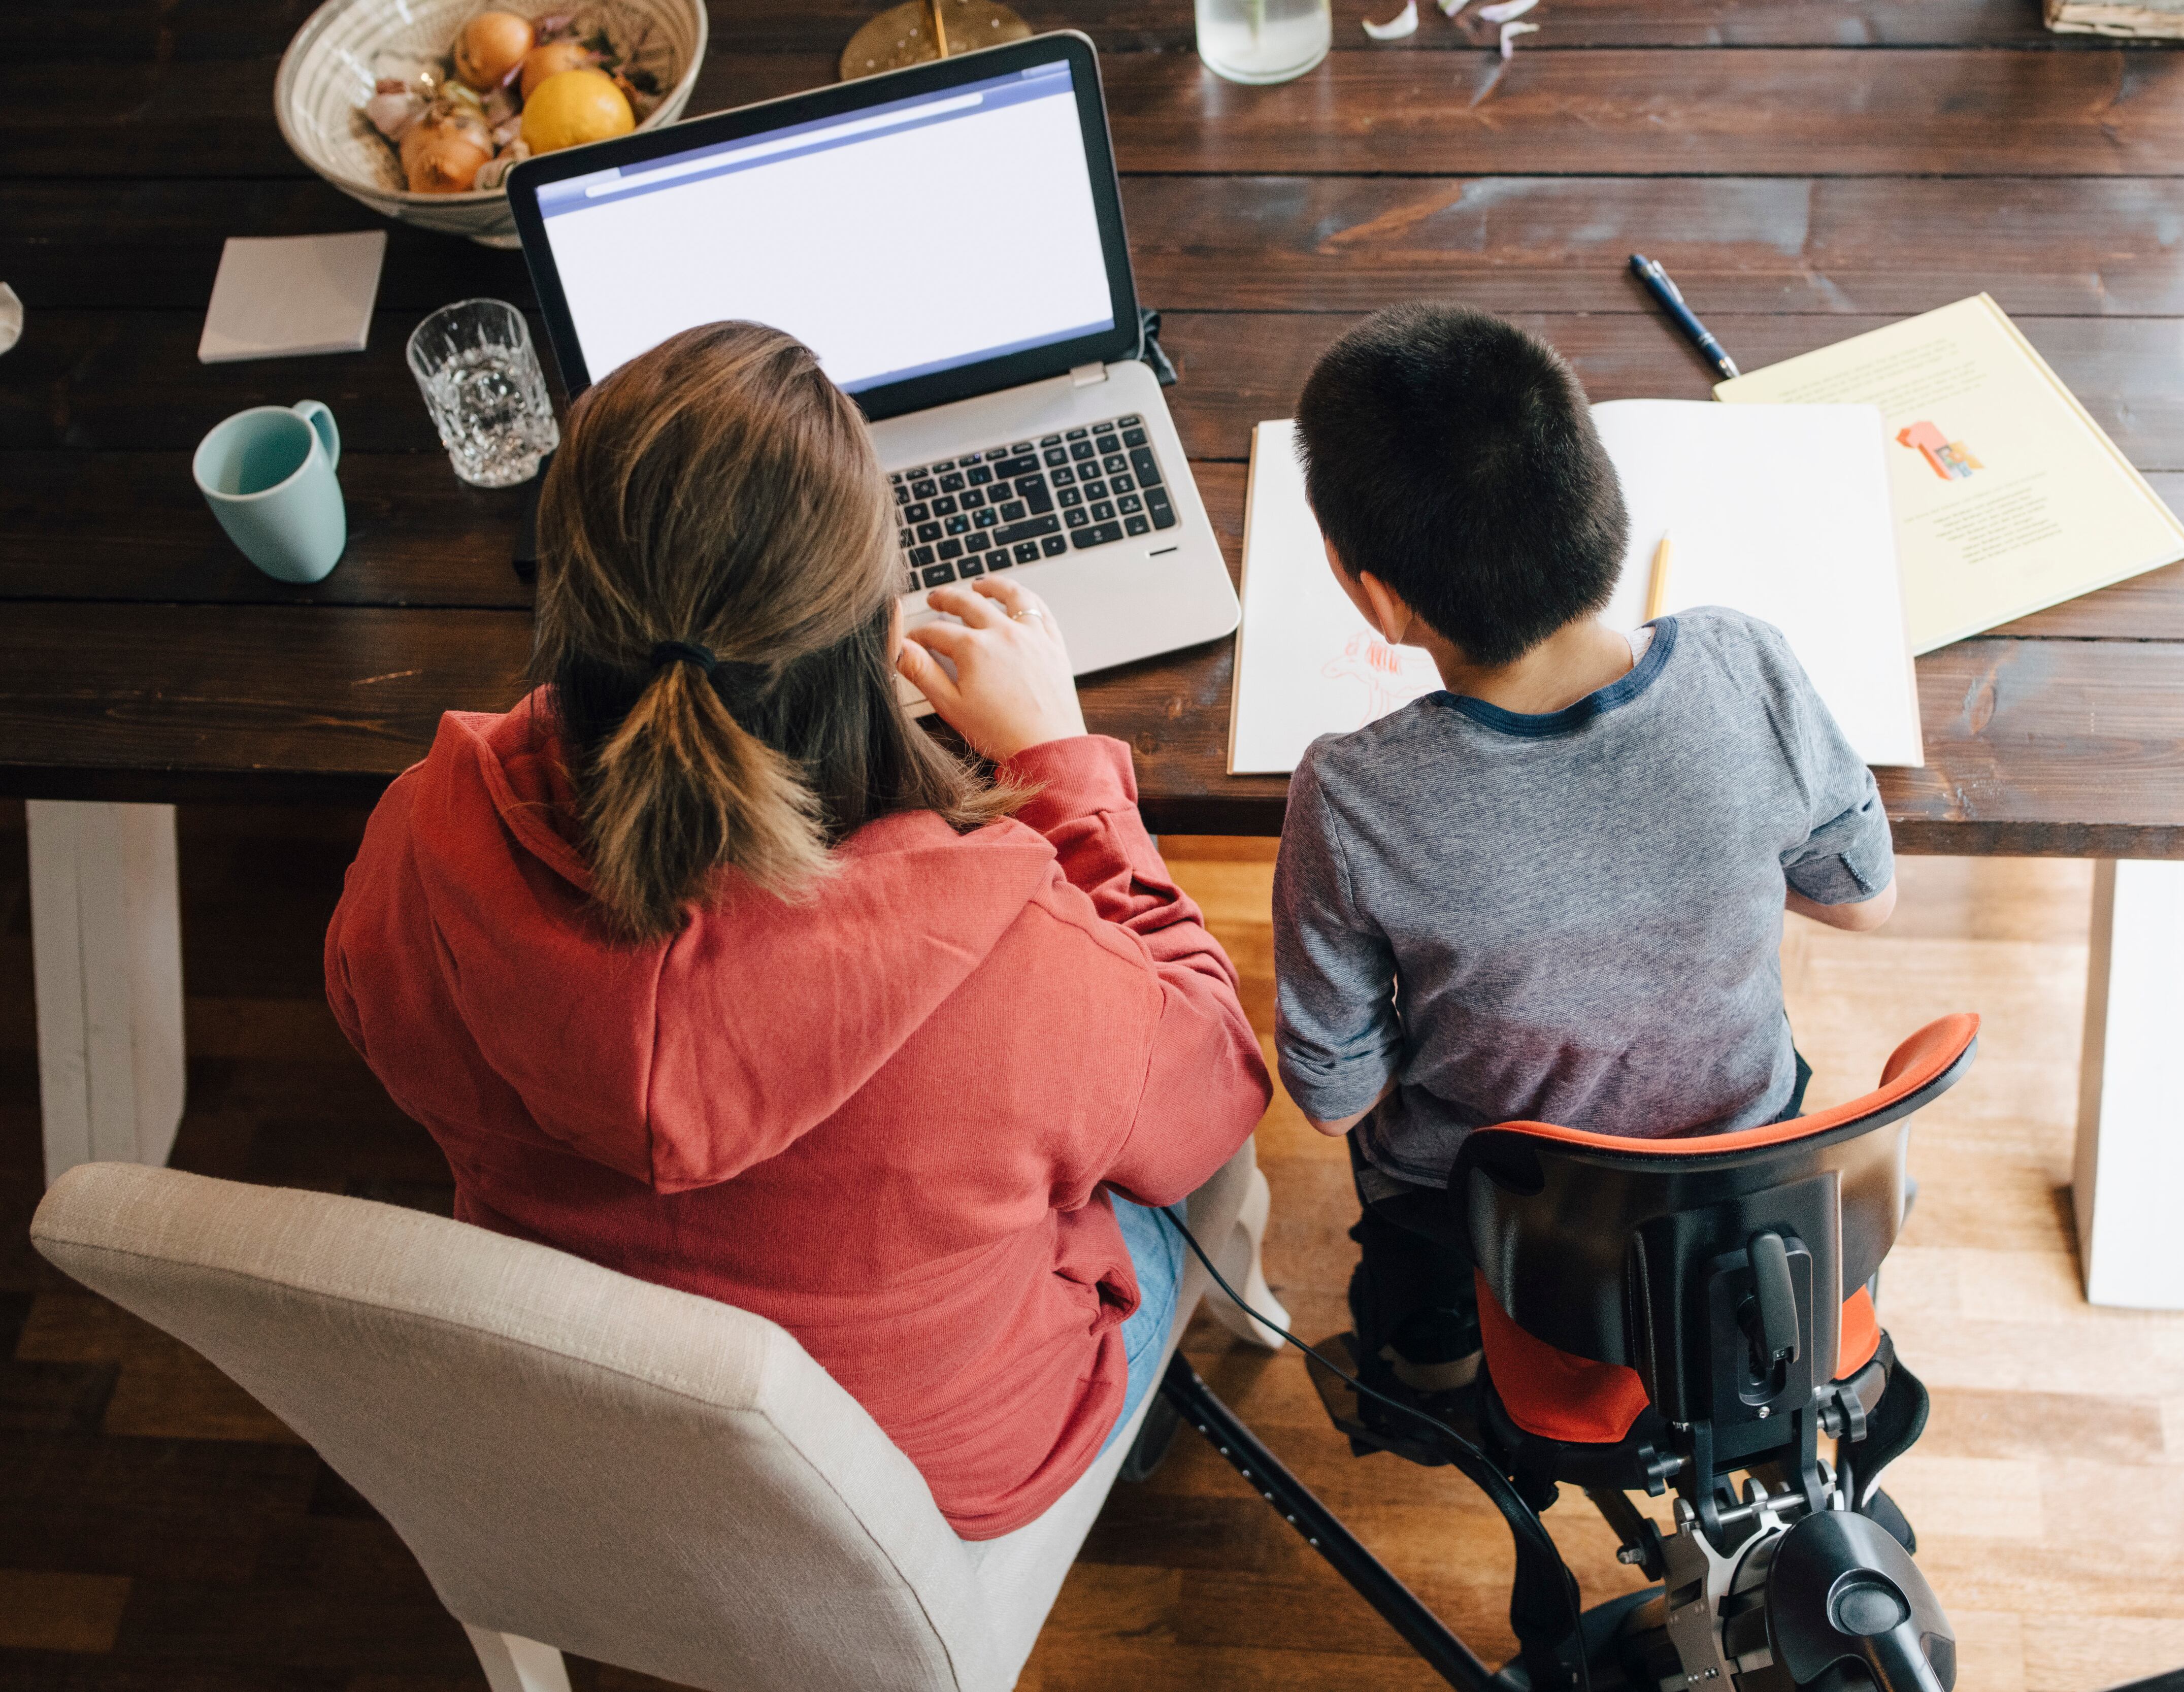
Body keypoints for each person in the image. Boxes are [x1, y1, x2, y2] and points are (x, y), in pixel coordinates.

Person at [324, 321, 1270, 1539]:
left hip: (600, 1442)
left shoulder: (414, 840)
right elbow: (1216, 1092)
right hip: (934, 1483)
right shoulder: (1011, 963)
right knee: (1151, 1145)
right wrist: (1062, 766)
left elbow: (376, 1021)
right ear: (884, 639)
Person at [1271, 302, 1897, 1409]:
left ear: (1374, 593)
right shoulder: (1743, 662)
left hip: (1497, 1212)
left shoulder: (1351, 794)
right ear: (1601, 509)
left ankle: (1431, 1373)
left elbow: (1333, 1096)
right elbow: (1859, 902)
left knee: (1406, 1241)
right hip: (1743, 1174)